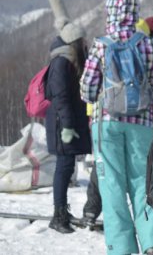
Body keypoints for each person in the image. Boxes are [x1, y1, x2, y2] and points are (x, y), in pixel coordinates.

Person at [80, 0, 153, 255]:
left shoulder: (101, 44)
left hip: (106, 124)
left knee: (111, 186)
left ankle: (120, 248)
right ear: (134, 11)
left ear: (110, 10)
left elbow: (87, 89)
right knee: (143, 183)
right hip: (141, 123)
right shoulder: (146, 43)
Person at [45, 19, 92, 233]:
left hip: (67, 121)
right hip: (61, 124)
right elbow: (60, 97)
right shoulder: (61, 64)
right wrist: (66, 125)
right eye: (81, 41)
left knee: (67, 167)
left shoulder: (67, 62)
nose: (84, 44)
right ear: (74, 42)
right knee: (63, 169)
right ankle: (58, 215)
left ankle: (62, 211)